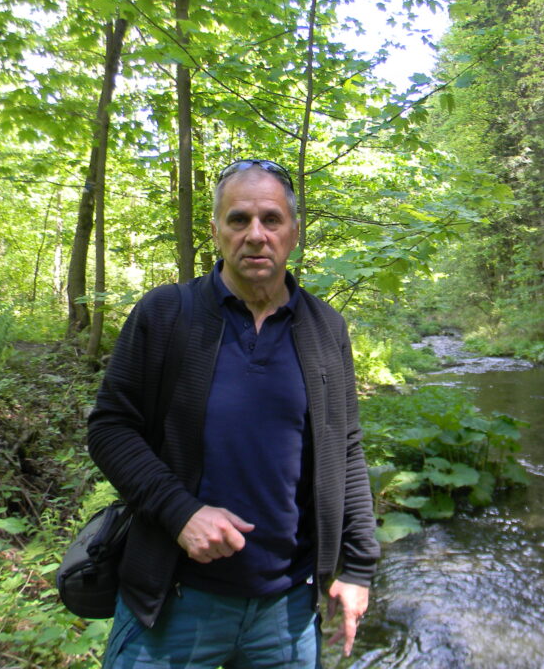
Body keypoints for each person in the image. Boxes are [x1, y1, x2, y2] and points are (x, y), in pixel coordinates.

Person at [88, 158, 380, 668]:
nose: (256, 235)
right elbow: (110, 428)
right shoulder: (167, 314)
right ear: (217, 231)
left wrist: (357, 567)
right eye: (239, 219)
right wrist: (180, 511)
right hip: (174, 602)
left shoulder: (325, 328)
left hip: (287, 611)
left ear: (293, 232)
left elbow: (346, 450)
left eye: (272, 219)